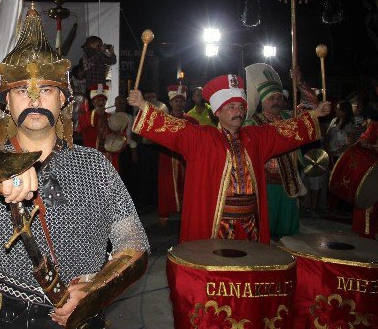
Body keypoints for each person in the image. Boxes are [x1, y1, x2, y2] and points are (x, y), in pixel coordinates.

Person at [0, 4, 148, 328]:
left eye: (46, 89)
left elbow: (134, 245)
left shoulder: (95, 167)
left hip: (73, 316)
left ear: (64, 99)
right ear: (6, 101)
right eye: (21, 90)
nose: (34, 99)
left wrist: (94, 290)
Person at [128, 73, 331, 243]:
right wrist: (143, 104)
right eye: (231, 107)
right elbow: (174, 129)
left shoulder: (256, 136)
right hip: (217, 223)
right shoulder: (201, 137)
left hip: (250, 223)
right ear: (217, 111)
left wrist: (315, 115)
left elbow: (285, 131)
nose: (238, 112)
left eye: (241, 107)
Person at [244, 63, 302, 239]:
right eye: (271, 98)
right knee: (264, 231)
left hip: (288, 181)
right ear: (261, 101)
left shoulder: (290, 118)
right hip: (264, 183)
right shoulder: (251, 123)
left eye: (278, 97)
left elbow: (314, 107)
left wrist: (299, 83)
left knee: (288, 236)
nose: (276, 101)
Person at [156, 85, 198, 227]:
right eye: (176, 101)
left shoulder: (192, 121)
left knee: (188, 184)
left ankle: (188, 213)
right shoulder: (164, 120)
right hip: (168, 157)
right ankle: (164, 213)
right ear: (170, 103)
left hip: (186, 158)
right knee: (166, 185)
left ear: (185, 102)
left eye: (181, 101)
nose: (178, 104)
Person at [76, 84, 120, 168]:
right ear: (92, 102)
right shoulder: (85, 116)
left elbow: (119, 136)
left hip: (108, 157)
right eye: (98, 100)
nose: (101, 102)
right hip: (92, 157)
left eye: (103, 100)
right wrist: (94, 113)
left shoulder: (111, 117)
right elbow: (80, 128)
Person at [352, 118, 378, 238]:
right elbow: (363, 140)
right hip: (374, 171)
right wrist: (367, 143)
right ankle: (366, 235)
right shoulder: (374, 125)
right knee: (370, 203)